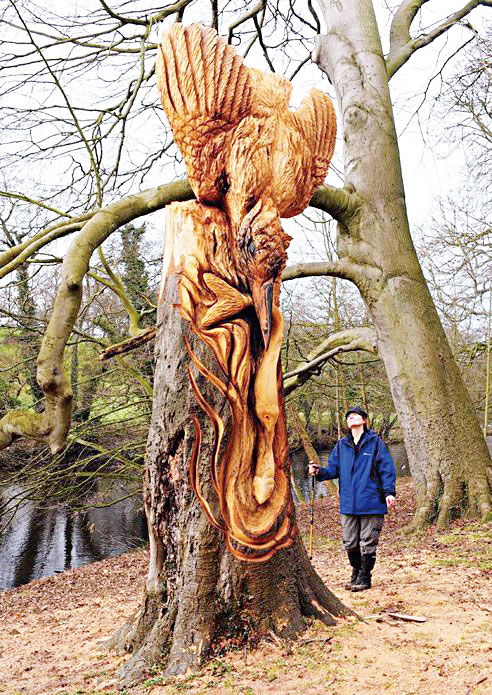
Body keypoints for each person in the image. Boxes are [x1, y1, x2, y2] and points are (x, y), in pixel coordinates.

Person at [308, 406, 396, 591]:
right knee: (350, 541)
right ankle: (355, 572)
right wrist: (319, 472)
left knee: (367, 540)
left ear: (364, 420)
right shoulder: (342, 445)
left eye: (355, 415)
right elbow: (333, 469)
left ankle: (365, 576)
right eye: (348, 417)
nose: (351, 418)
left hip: (372, 500)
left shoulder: (376, 443)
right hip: (348, 502)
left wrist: (389, 492)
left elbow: (386, 468)